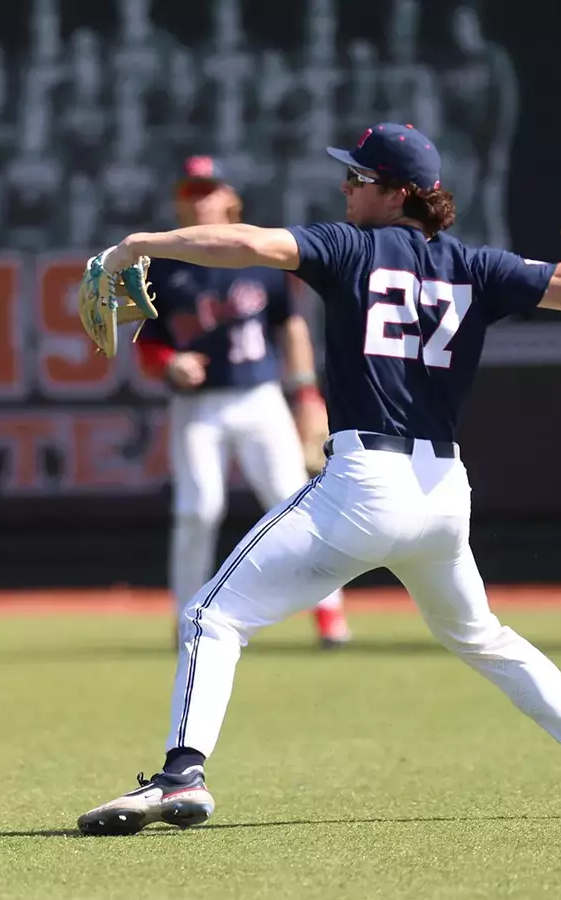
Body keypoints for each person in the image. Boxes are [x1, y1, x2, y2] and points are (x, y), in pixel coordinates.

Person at [76, 123, 561, 836]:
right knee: (483, 637)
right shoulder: (476, 265)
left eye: (359, 177)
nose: (346, 187)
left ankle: (180, 777)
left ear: (399, 192)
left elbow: (248, 244)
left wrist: (140, 243)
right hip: (443, 494)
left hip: (363, 484)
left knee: (208, 617)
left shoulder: (352, 247)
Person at [134, 156, 352, 650]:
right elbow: (147, 344)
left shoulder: (258, 253)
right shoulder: (163, 267)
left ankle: (329, 614)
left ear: (230, 197)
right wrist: (169, 361)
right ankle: (186, 618)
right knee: (197, 510)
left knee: (294, 503)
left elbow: (290, 326)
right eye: (191, 192)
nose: (200, 200)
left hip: (260, 397)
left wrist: (307, 396)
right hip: (198, 407)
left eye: (208, 190)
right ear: (179, 202)